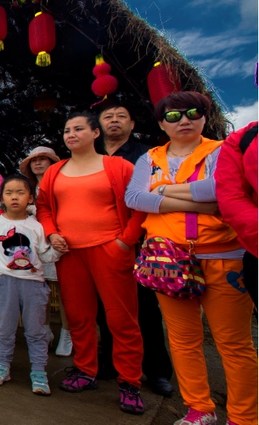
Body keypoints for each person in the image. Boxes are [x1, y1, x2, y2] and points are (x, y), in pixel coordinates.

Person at [125, 91, 257, 425]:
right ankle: (199, 409)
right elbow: (135, 197)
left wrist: (164, 190)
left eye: (193, 113)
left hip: (224, 257)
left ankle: (243, 417)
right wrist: (197, 199)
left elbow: (219, 193)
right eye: (173, 116)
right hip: (167, 260)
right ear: (161, 123)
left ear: (204, 117)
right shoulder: (149, 158)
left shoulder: (222, 150)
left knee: (234, 343)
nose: (184, 120)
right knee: (182, 339)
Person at [36, 111, 146, 415]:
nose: (70, 134)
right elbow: (44, 207)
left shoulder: (119, 166)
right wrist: (52, 233)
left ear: (95, 133)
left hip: (110, 250)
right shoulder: (55, 171)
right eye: (67, 130)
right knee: (79, 316)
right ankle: (85, 370)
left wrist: (125, 241)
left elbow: (139, 205)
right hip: (69, 253)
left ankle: (130, 382)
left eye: (78, 128)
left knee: (121, 319)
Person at [97, 102, 174, 397]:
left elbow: (152, 195)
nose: (114, 121)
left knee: (145, 310)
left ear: (132, 124)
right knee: (105, 308)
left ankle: (157, 370)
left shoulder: (147, 156)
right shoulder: (90, 157)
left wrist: (127, 238)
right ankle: (111, 362)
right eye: (108, 117)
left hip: (139, 243)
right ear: (98, 127)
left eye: (121, 116)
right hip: (99, 244)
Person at [0, 174, 61, 395]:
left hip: (34, 285)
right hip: (5, 283)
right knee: (4, 328)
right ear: (2, 198)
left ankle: (38, 371)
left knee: (36, 331)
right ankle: (2, 365)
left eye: (20, 192)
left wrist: (58, 250)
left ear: (31, 198)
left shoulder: (37, 226)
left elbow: (44, 256)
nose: (14, 197)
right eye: (9, 193)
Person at [19, 146, 72, 357]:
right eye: (34, 160)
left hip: (59, 241)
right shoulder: (28, 188)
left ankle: (67, 333)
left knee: (65, 293)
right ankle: (46, 330)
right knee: (41, 292)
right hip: (36, 245)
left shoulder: (62, 185)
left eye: (43, 159)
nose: (38, 163)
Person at [215, 121, 258, 308]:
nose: (184, 121)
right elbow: (230, 196)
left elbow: (208, 192)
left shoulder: (214, 148)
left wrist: (161, 190)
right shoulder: (243, 138)